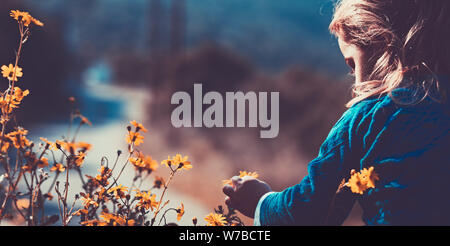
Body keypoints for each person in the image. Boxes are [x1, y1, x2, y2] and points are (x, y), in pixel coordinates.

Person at [223, 0, 450, 226]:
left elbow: (310, 209)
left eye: (352, 65)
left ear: (381, 43)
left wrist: (261, 202)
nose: (355, 82)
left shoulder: (368, 116)